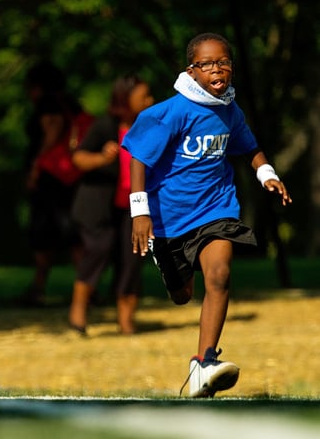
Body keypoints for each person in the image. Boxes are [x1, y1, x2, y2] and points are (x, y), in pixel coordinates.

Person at [122, 33, 292, 398]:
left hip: (216, 210)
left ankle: (204, 362)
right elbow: (138, 155)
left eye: (224, 61)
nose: (217, 68)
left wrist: (268, 175)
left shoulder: (231, 111)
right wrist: (140, 212)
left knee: (219, 274)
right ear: (192, 71)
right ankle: (168, 264)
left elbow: (250, 148)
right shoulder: (173, 111)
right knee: (183, 295)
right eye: (207, 63)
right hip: (169, 218)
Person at [69, 75, 154, 336]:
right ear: (125, 100)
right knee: (99, 249)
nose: (150, 101)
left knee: (133, 258)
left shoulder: (152, 127)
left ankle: (126, 320)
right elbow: (79, 159)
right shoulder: (104, 126)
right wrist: (102, 158)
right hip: (99, 205)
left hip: (134, 205)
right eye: (144, 97)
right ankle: (79, 310)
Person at [22, 61, 93, 305]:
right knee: (74, 235)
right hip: (71, 178)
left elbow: (52, 132)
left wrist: (35, 166)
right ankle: (87, 289)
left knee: (47, 235)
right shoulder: (70, 103)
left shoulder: (49, 104)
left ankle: (40, 289)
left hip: (53, 178)